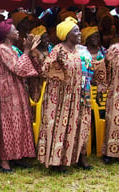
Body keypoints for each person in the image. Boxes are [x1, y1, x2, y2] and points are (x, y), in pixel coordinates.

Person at [37, 17, 104, 171]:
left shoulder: (81, 50)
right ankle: (55, 161)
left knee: (80, 126)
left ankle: (78, 157)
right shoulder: (58, 50)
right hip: (60, 98)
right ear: (67, 35)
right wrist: (56, 63)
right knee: (59, 127)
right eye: (75, 31)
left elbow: (92, 67)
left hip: (79, 94)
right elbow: (45, 70)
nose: (79, 33)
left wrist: (100, 82)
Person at [0, 19, 40, 173]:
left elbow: (27, 67)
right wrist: (26, 50)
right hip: (6, 93)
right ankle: (5, 162)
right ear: (7, 34)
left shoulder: (13, 49)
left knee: (20, 122)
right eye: (14, 30)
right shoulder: (2, 49)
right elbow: (18, 68)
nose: (18, 32)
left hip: (17, 90)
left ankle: (18, 156)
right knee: (6, 125)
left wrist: (30, 50)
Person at [102, 43, 119, 163]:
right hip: (116, 93)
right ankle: (110, 153)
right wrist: (106, 61)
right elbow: (104, 69)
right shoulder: (114, 49)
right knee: (114, 122)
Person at [28, 25, 53, 102]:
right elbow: (37, 70)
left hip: (50, 81)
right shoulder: (34, 53)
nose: (46, 40)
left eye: (47, 37)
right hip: (38, 84)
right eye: (43, 38)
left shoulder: (51, 49)